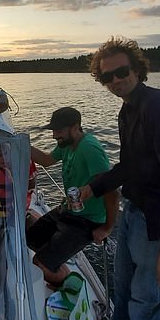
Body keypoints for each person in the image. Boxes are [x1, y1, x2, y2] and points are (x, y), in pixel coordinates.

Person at [80, 36, 160, 320]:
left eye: (121, 71)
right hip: (133, 215)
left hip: (157, 225)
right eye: (107, 76)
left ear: (136, 69)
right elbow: (131, 166)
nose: (115, 80)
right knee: (122, 293)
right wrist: (94, 187)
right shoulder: (128, 110)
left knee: (146, 306)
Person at [27, 107, 118, 285]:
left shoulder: (90, 149)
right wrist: (19, 143)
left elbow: (112, 192)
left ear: (75, 127)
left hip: (87, 220)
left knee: (40, 263)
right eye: (53, 130)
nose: (54, 135)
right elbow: (46, 160)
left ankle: (71, 283)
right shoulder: (67, 144)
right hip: (68, 210)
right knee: (30, 239)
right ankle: (59, 263)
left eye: (59, 131)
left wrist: (107, 228)